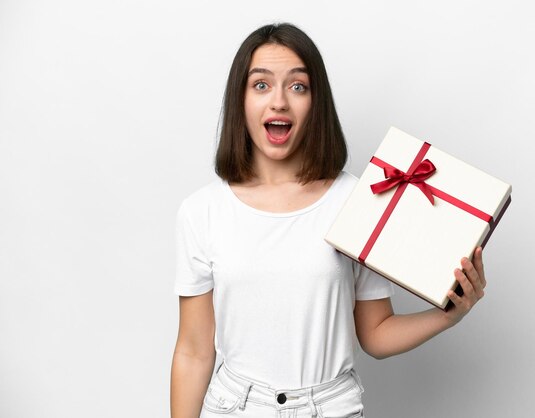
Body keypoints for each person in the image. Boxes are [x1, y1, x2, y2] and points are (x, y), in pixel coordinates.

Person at [170, 23, 487, 418]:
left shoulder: (359, 201)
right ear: (240, 100)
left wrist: (449, 315)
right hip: (235, 407)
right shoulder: (202, 212)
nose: (279, 102)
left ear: (316, 103)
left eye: (298, 86)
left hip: (330, 407)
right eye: (261, 85)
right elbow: (194, 351)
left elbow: (374, 333)